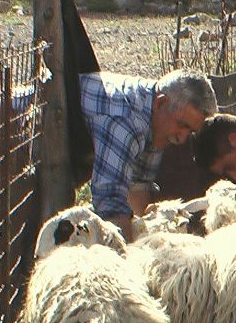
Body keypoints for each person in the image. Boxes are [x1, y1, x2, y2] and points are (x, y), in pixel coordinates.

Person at [81, 69, 218, 241]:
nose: (182, 138)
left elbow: (138, 185)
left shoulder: (159, 118)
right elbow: (110, 203)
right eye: (182, 125)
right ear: (160, 104)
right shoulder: (127, 123)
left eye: (190, 131)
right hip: (49, 138)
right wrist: (129, 259)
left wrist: (145, 240)